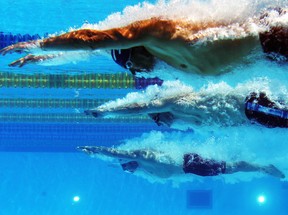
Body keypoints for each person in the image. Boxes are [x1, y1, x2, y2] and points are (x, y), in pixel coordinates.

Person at [1, 8, 288, 75]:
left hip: (275, 34)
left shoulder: (157, 33)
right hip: (273, 56)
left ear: (131, 50)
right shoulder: (163, 59)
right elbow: (92, 53)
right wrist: (44, 59)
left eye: (131, 66)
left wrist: (36, 45)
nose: (138, 72)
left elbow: (91, 42)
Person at [85, 81, 288, 129]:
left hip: (252, 105)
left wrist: (106, 111)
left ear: (158, 112)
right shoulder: (189, 123)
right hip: (254, 118)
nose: (163, 125)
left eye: (158, 120)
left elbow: (141, 106)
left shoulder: (173, 101)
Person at [77, 145, 285, 179]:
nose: (129, 170)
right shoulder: (146, 168)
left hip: (191, 164)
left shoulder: (141, 156)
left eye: (126, 167)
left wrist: (95, 151)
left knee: (232, 168)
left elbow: (115, 153)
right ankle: (262, 166)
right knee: (231, 168)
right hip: (190, 167)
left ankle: (264, 167)